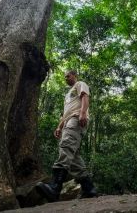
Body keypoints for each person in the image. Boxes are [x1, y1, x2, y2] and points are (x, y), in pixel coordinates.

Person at [36, 70, 97, 202]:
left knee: (66, 146)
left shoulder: (80, 84)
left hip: (76, 119)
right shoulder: (67, 95)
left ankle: (55, 188)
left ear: (75, 76)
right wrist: (59, 126)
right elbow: (66, 113)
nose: (66, 78)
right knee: (73, 156)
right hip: (68, 120)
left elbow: (85, 97)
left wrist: (82, 113)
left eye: (68, 76)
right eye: (65, 77)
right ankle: (89, 189)